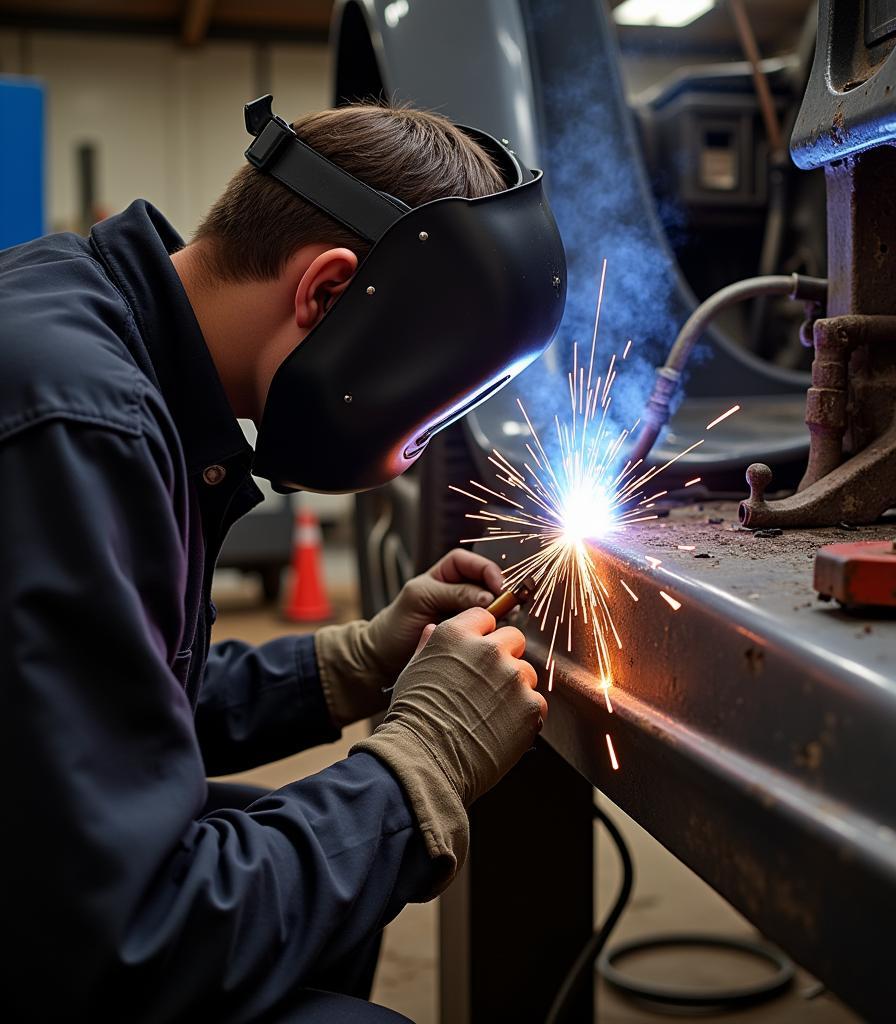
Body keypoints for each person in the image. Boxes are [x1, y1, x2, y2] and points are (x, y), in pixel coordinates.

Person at [1, 100, 564, 1022]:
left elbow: (108, 706)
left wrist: (355, 660)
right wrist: (423, 756)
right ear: (330, 293)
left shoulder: (101, 327)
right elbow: (125, 945)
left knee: (320, 872)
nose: (412, 443)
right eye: (423, 412)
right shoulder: (83, 424)